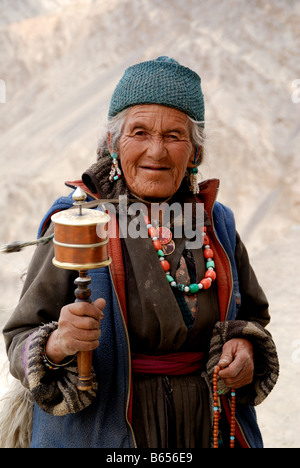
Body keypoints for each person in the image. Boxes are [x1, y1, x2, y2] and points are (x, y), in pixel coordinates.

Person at [3, 56, 279, 448]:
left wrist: (244, 345)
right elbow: (20, 335)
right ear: (114, 144)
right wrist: (59, 342)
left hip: (207, 430)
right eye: (139, 132)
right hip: (107, 434)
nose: (156, 151)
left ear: (195, 153)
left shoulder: (218, 224)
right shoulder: (80, 221)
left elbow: (251, 315)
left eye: (174, 136)